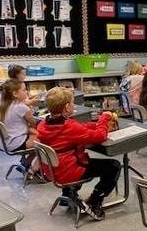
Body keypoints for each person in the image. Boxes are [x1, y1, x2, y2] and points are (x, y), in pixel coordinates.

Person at [36, 87, 121, 221]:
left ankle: (68, 195)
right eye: (72, 102)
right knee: (114, 166)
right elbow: (100, 136)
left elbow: (78, 128)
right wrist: (104, 120)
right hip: (69, 171)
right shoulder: (69, 127)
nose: (74, 105)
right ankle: (95, 201)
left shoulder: (43, 124)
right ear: (66, 107)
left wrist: (96, 124)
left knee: (76, 159)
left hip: (52, 170)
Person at [0, 78, 40, 177]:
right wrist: (31, 129)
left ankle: (25, 163)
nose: (27, 92)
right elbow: (34, 123)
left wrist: (30, 130)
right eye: (24, 90)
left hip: (7, 142)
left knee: (36, 134)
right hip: (17, 142)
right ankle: (32, 169)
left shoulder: (2, 106)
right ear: (15, 94)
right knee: (47, 140)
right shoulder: (21, 107)